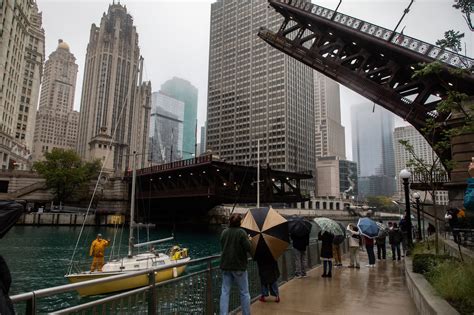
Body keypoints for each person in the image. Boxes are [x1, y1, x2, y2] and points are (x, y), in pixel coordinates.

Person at [219, 213, 251, 315]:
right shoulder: (242, 233)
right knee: (244, 293)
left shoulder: (224, 232)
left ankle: (223, 313)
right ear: (239, 222)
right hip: (239, 266)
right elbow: (248, 248)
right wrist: (249, 240)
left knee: (225, 292)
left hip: (225, 265)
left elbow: (223, 244)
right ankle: (246, 313)